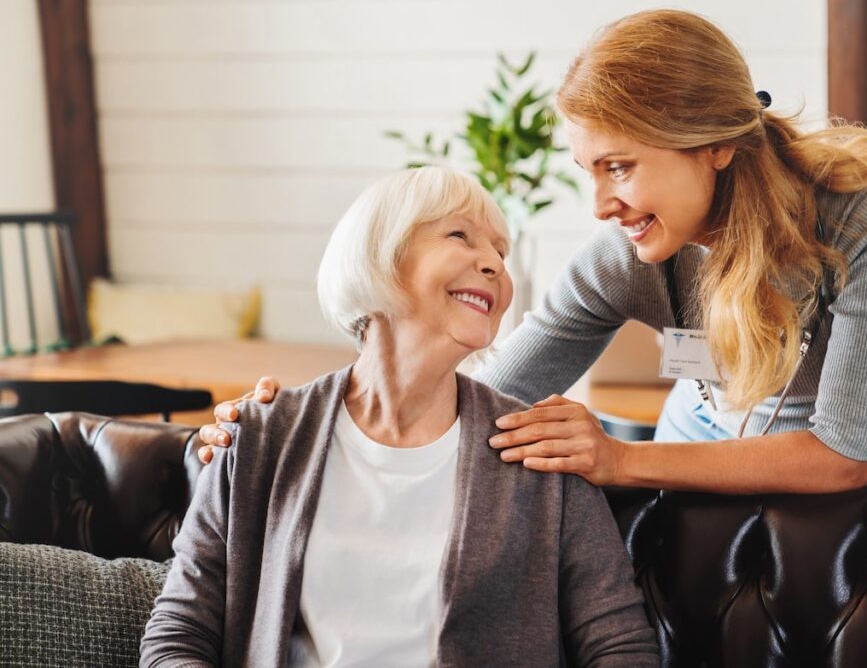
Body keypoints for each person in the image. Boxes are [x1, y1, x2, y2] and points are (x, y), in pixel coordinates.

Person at [198, 9, 867, 493]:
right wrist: (286, 423)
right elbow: (485, 395)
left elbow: (842, 454)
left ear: (711, 143)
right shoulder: (627, 257)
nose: (600, 205)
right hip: (704, 431)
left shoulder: (866, 210)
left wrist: (620, 457)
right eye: (590, 171)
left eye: (620, 165)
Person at [140, 167, 658, 667]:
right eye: (460, 235)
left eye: (501, 251)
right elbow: (178, 634)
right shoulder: (260, 436)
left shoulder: (539, 451)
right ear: (380, 254)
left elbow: (621, 647)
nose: (495, 264)